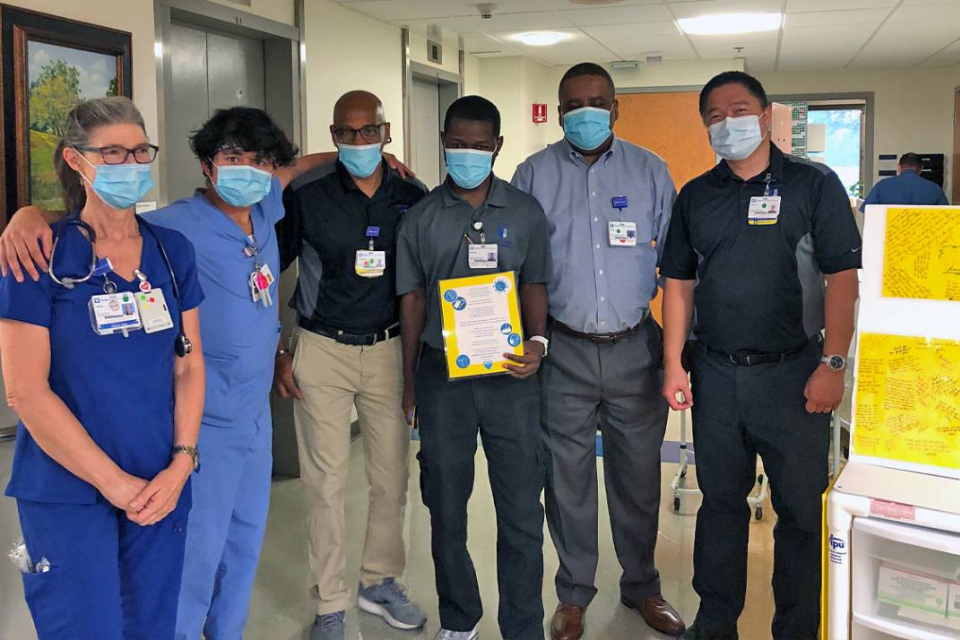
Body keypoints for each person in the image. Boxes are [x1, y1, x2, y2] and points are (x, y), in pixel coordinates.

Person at [0, 105, 412, 639]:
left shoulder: (262, 205)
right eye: (234, 158)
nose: (249, 169)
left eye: (259, 160)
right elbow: (98, 222)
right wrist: (27, 215)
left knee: (242, 548)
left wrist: (360, 152)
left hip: (253, 418)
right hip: (203, 424)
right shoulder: (175, 227)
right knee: (192, 562)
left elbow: (290, 167)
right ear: (207, 165)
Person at [660, 71, 861, 640]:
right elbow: (679, 283)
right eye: (715, 116)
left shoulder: (813, 185)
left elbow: (842, 278)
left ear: (767, 114)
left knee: (799, 513)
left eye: (739, 109)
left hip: (796, 376)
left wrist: (835, 364)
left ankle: (796, 629)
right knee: (719, 506)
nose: (728, 123)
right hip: (717, 374)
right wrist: (674, 361)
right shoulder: (696, 195)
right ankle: (715, 622)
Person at [0, 96, 205, 639]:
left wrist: (182, 462)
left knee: (151, 624)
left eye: (139, 150)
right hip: (69, 486)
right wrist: (113, 483)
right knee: (84, 627)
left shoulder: (171, 252)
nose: (130, 164)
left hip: (161, 476)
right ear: (76, 160)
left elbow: (188, 366)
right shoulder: (38, 255)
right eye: (111, 153)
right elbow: (24, 391)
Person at [512, 62, 684, 639]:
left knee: (638, 477)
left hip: (636, 347)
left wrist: (681, 352)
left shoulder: (651, 171)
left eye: (597, 101)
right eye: (573, 103)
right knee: (567, 480)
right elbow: (518, 268)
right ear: (559, 112)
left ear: (616, 107)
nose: (585, 111)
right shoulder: (532, 175)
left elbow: (679, 271)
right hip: (562, 349)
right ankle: (573, 594)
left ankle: (641, 587)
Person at [397, 95, 552, 640]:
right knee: (445, 505)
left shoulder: (526, 212)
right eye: (457, 144)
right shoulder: (420, 218)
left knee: (520, 509)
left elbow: (534, 283)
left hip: (511, 378)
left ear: (498, 147)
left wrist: (537, 343)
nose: (467, 154)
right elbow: (412, 300)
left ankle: (523, 625)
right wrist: (410, 380)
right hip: (443, 379)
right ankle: (460, 618)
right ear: (443, 143)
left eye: (479, 145)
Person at [275, 90, 428, 640]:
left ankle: (380, 581)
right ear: (334, 134)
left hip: (389, 351)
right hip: (322, 349)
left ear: (387, 132)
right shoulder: (307, 194)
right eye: (348, 133)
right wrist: (279, 346)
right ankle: (330, 603)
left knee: (391, 477)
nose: (359, 142)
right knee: (326, 483)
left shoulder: (412, 193)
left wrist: (419, 368)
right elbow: (267, 269)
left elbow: (424, 281)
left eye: (370, 132)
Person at [861, 152, 949, 210]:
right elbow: (946, 214)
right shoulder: (934, 188)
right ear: (921, 169)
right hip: (924, 235)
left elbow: (867, 210)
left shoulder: (882, 186)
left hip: (890, 235)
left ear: (899, 167)